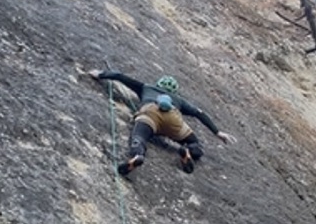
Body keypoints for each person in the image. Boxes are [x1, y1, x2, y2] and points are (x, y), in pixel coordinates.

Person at [88, 67, 234, 176]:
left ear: (158, 84)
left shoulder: (146, 87)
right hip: (173, 118)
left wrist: (100, 74)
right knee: (195, 143)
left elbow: (120, 76)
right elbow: (199, 113)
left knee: (139, 137)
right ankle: (188, 151)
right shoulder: (179, 100)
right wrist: (217, 132)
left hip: (150, 113)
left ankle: (138, 155)